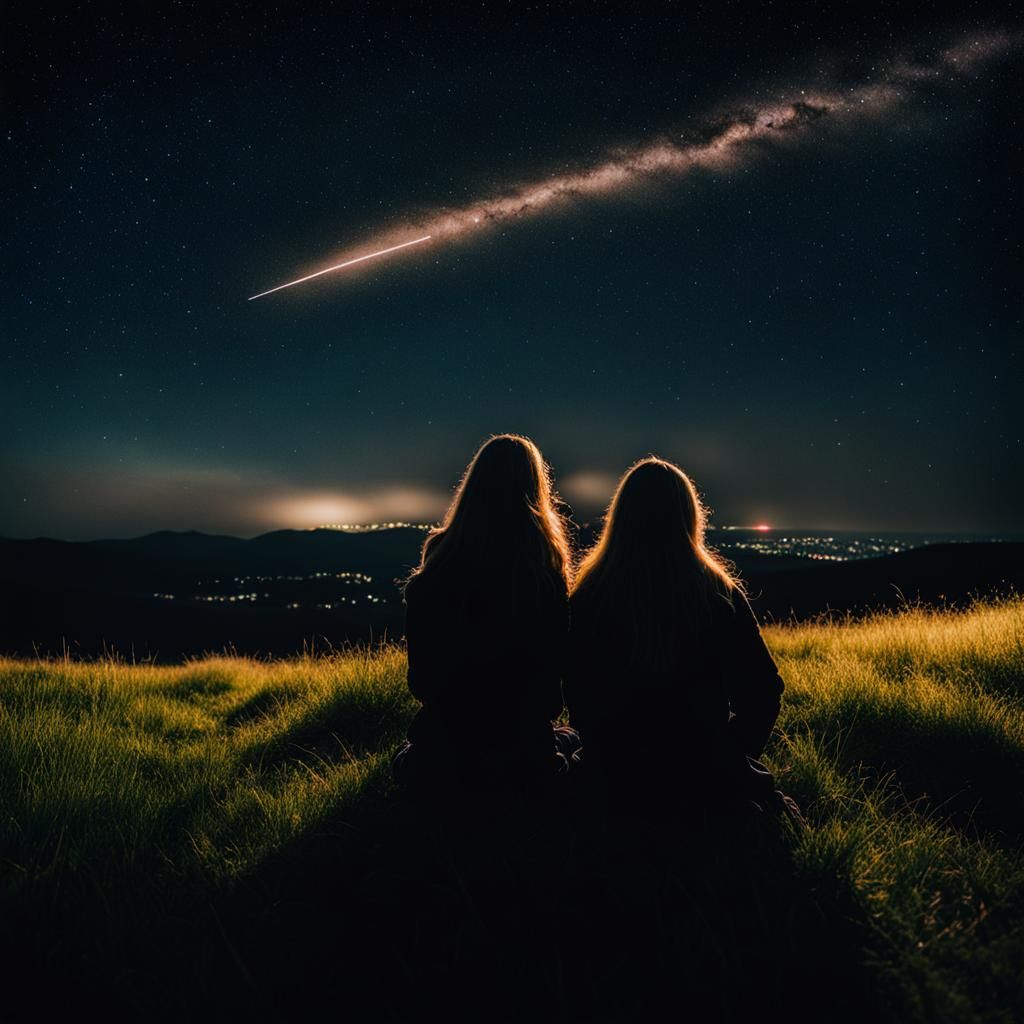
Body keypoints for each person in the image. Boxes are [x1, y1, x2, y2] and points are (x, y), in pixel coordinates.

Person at [565, 457, 797, 821]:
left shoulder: (589, 597)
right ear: (689, 517)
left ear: (620, 517)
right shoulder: (719, 596)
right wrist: (726, 755)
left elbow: (578, 694)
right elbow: (763, 693)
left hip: (611, 779)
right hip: (699, 779)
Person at [392, 434, 579, 799]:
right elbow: (555, 675)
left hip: (442, 754)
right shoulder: (544, 568)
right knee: (575, 739)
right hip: (524, 756)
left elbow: (422, 682)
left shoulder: (440, 556)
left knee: (405, 761)